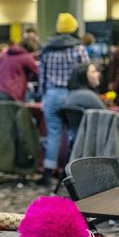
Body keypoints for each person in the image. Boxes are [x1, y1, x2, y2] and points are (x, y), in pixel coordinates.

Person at [38, 13, 89, 186]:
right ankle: (68, 174)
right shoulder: (78, 48)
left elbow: (42, 77)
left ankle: (47, 172)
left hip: (52, 95)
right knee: (74, 133)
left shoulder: (47, 49)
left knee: (53, 134)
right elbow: (86, 73)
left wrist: (43, 95)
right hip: (72, 95)